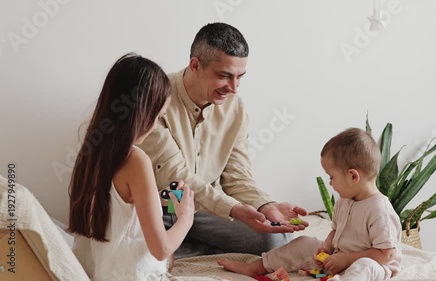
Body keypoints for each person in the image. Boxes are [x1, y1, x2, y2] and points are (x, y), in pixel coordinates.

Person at [138, 22, 309, 259]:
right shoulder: (157, 97)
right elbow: (176, 176)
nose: (234, 88)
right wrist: (234, 209)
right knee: (135, 244)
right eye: (224, 76)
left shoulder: (235, 109)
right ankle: (180, 247)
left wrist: (265, 206)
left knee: (276, 237)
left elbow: (237, 176)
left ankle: (185, 249)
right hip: (161, 209)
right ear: (195, 65)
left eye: (240, 77)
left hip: (206, 211)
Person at [68, 53, 206, 281]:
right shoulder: (136, 160)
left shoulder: (92, 149)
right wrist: (186, 217)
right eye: (157, 116)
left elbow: (118, 207)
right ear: (141, 112)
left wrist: (163, 201)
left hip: (96, 271)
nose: (153, 127)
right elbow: (160, 249)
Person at [218, 127, 402, 281]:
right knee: (305, 242)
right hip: (339, 258)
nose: (330, 183)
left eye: (332, 177)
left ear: (353, 176)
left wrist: (347, 259)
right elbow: (336, 232)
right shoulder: (344, 201)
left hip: (375, 265)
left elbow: (385, 255)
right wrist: (326, 248)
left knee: (365, 266)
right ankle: (255, 268)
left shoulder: (379, 210)